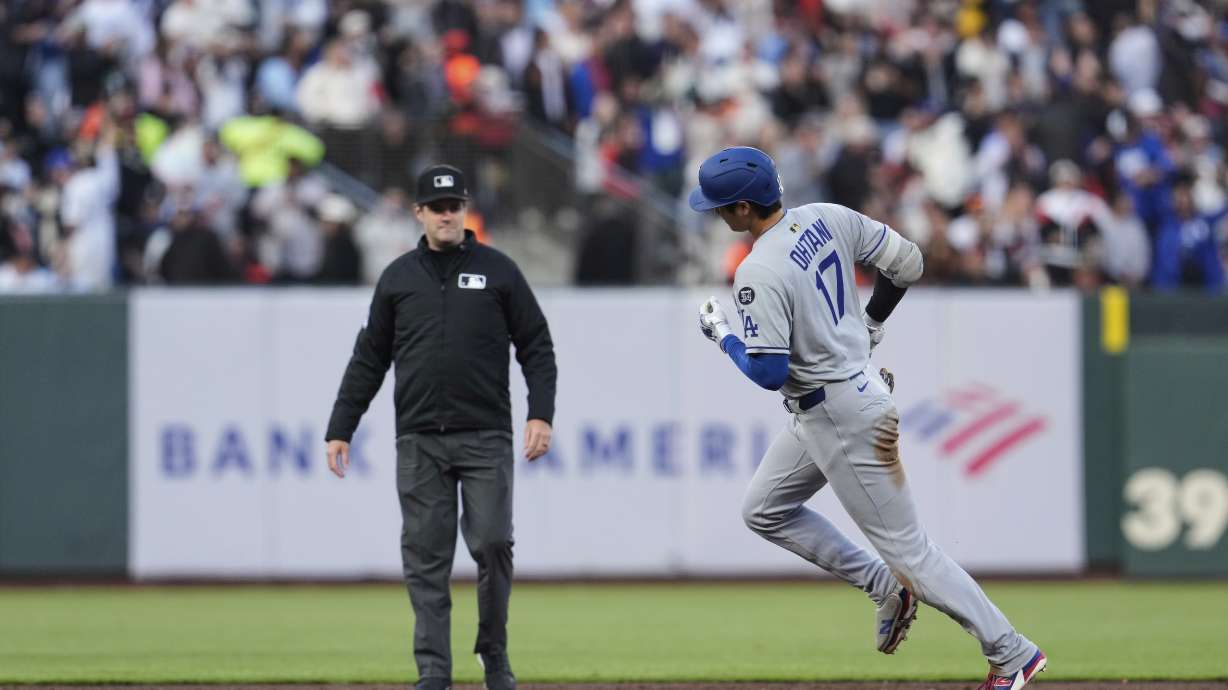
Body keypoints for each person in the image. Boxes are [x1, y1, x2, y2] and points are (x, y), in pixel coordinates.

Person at [689, 146, 1047, 690]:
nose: (716, 214)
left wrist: (724, 337)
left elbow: (768, 371)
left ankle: (1012, 652)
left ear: (742, 208)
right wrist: (871, 325)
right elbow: (909, 263)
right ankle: (884, 587)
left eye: (720, 206)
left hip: (837, 410)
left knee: (912, 552)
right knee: (764, 510)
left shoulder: (756, 270)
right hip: (841, 394)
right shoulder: (827, 216)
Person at [324, 164, 557, 690]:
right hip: (420, 439)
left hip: (485, 434)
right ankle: (433, 669)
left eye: (455, 205)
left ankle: (493, 654)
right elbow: (369, 358)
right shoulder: (398, 278)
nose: (448, 214)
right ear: (420, 213)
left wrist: (540, 413)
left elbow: (536, 346)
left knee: (494, 542)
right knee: (426, 558)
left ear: (465, 208)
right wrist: (342, 425)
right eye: (438, 206)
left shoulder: (499, 271)